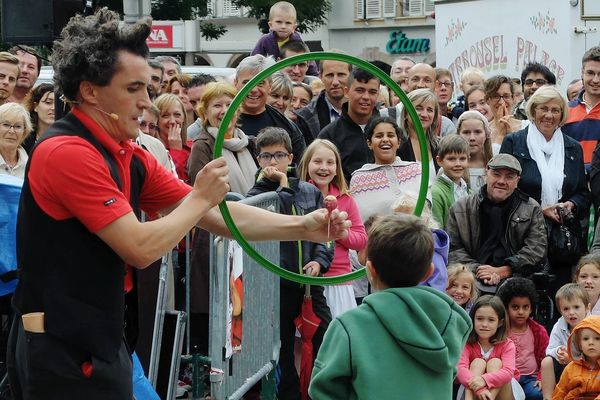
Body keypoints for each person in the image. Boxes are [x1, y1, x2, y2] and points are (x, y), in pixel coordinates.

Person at [7, 10, 350, 399]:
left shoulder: (127, 154)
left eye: (147, 88)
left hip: (100, 339)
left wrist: (304, 226)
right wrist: (201, 196)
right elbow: (139, 247)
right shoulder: (66, 152)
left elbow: (218, 215)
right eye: (134, 88)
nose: (146, 101)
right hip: (60, 348)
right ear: (90, 91)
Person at [309, 214, 472, 399]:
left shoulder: (349, 326)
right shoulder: (447, 323)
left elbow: (323, 391)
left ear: (369, 270)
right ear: (429, 272)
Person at [246, 127, 333, 400]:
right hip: (275, 285)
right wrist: (282, 186)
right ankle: (289, 395)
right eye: (266, 156)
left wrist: (319, 262)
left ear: (291, 157)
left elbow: (326, 235)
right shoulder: (256, 194)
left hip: (308, 284)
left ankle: (324, 390)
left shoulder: (309, 191)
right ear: (258, 160)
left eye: (279, 155)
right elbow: (270, 219)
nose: (272, 162)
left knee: (325, 336)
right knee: (281, 349)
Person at [500, 85, 590, 292]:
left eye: (555, 110)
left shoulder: (572, 147)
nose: (549, 115)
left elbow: (582, 194)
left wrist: (572, 204)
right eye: (543, 108)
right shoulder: (514, 142)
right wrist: (539, 211)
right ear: (533, 111)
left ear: (562, 115)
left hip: (561, 241)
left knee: (561, 296)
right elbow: (503, 190)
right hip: (522, 237)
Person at [447, 154, 547, 294]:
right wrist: (480, 271)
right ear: (486, 173)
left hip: (517, 279)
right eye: (496, 174)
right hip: (470, 278)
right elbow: (453, 249)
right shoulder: (461, 208)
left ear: (517, 180)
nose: (501, 181)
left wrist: (506, 270)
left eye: (509, 177)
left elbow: (536, 249)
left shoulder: (531, 208)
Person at [298, 139, 367, 318]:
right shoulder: (298, 196)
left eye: (330, 162)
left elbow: (361, 239)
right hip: (305, 279)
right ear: (307, 164)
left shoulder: (346, 199)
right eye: (317, 161)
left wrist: (340, 232)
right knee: (307, 338)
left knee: (339, 336)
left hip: (338, 280)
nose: (324, 167)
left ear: (337, 168)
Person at [189, 81, 257, 196]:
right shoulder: (202, 146)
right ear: (205, 113)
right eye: (217, 105)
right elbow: (201, 195)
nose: (225, 111)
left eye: (229, 105)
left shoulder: (250, 143)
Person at [234, 54, 306, 162]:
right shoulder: (222, 120)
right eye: (247, 83)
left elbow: (299, 169)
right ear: (236, 83)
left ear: (270, 86)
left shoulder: (288, 128)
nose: (253, 89)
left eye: (260, 83)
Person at [350, 116, 423, 222]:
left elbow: (427, 207)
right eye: (379, 136)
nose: (385, 139)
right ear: (369, 143)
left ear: (398, 142)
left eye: (390, 135)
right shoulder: (358, 179)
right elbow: (359, 220)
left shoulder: (416, 170)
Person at [318, 67, 380, 183]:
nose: (366, 97)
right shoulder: (329, 135)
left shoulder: (389, 130)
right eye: (360, 90)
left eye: (372, 92)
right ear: (346, 92)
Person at [456, 295, 525, 400]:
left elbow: (507, 372)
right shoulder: (467, 343)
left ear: (500, 323)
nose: (484, 324)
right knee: (478, 363)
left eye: (491, 320)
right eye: (479, 319)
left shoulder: (507, 344)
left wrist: (484, 379)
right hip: (473, 391)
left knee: (495, 363)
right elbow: (460, 370)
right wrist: (480, 389)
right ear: (472, 319)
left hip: (504, 392)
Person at [496, 278, 549, 400]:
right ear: (506, 307)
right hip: (508, 378)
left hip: (531, 378)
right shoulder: (501, 330)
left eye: (525, 307)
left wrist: (541, 378)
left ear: (531, 308)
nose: (521, 312)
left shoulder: (538, 331)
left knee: (537, 394)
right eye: (515, 307)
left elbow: (546, 358)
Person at [540, 283, 589, 400]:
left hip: (588, 368)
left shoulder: (592, 325)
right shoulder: (559, 325)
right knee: (547, 362)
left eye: (576, 307)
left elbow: (594, 355)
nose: (571, 312)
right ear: (560, 311)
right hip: (564, 367)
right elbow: (549, 350)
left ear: (587, 307)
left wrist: (572, 359)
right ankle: (548, 397)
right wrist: (559, 351)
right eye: (566, 309)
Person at [391, 193, 449, 292]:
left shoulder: (431, 250)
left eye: (407, 218)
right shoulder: (400, 246)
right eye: (398, 218)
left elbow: (438, 288)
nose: (400, 224)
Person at [250, 1, 318, 76]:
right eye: (279, 22)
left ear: (294, 27)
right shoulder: (265, 40)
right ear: (270, 25)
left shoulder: (297, 41)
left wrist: (314, 76)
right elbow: (253, 61)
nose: (283, 26)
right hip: (271, 77)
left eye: (288, 23)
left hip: (294, 76)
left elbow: (308, 59)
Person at [294, 55, 351, 145]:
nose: (335, 82)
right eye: (330, 75)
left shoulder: (367, 111)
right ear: (320, 76)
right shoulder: (305, 116)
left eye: (341, 75)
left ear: (351, 76)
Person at [552, 315, 600, 399]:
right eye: (585, 339)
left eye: (597, 338)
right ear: (579, 344)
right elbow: (561, 390)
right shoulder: (571, 368)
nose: (591, 342)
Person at [398, 88, 441, 181]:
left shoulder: (440, 145)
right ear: (406, 113)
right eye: (418, 108)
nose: (424, 114)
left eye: (429, 110)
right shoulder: (397, 145)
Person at [431, 134, 470, 228]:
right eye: (451, 159)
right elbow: (438, 231)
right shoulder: (436, 192)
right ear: (439, 160)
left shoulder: (468, 190)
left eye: (462, 159)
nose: (458, 164)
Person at [154, 93, 192, 182]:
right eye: (165, 115)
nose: (172, 121)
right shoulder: (152, 149)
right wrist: (176, 151)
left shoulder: (193, 147)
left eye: (177, 115)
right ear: (156, 120)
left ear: (184, 118)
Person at [485, 75, 528, 153]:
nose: (502, 102)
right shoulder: (483, 131)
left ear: (513, 99)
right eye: (496, 96)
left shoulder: (526, 127)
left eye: (506, 96)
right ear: (488, 100)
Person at [457, 110, 493, 193]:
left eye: (477, 132)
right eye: (466, 132)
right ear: (458, 134)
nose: (472, 138)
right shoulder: (450, 167)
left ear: (486, 134)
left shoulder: (496, 164)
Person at [0, 103, 31, 179]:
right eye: (6, 125)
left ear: (24, 131)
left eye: (18, 126)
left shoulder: (31, 165)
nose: (12, 131)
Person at [22, 83, 54, 154]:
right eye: (48, 102)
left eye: (58, 104)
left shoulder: (67, 137)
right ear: (35, 106)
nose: (53, 108)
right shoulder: (23, 137)